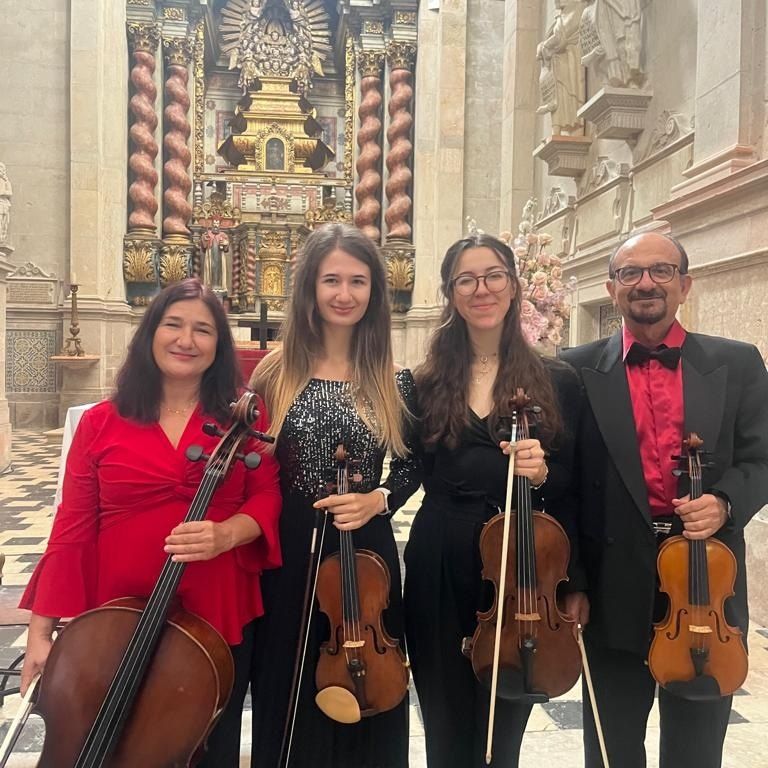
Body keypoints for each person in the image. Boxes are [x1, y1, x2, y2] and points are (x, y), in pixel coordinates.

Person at [19, 278, 282, 767]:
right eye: (174, 325)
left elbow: (267, 497)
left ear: (219, 346)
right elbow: (71, 528)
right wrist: (40, 633)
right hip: (114, 620)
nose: (187, 340)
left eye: (203, 330)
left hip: (213, 609)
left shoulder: (241, 415)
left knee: (206, 747)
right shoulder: (100, 422)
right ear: (150, 333)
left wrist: (228, 533)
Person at [560, 231, 768, 767]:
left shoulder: (738, 362)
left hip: (706, 579)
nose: (645, 282)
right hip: (612, 578)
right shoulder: (572, 369)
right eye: (630, 273)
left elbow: (762, 458)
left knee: (697, 749)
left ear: (685, 285)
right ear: (611, 288)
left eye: (661, 270)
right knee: (611, 747)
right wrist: (574, 581)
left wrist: (723, 502)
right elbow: (567, 486)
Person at [404, 233, 584, 767]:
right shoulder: (426, 381)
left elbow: (577, 484)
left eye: (493, 276)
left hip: (519, 561)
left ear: (513, 286)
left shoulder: (558, 379)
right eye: (466, 279)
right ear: (451, 293)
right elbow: (413, 469)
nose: (481, 289)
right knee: (442, 714)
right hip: (438, 553)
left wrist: (544, 471)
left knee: (503, 719)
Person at [249, 222, 419, 768]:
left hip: (365, 550)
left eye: (358, 281)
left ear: (375, 292)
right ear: (310, 290)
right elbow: (251, 465)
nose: (344, 294)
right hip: (290, 550)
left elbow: (414, 465)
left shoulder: (393, 379)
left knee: (370, 676)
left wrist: (380, 499)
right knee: (289, 678)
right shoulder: (275, 372)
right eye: (331, 281)